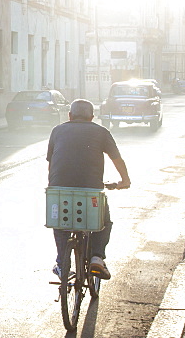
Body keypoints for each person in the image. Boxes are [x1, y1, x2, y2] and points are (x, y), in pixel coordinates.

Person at [47, 99, 130, 280]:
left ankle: (62, 264)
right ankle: (96, 257)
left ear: (69, 116)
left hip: (59, 190)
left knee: (60, 224)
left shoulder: (57, 130)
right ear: (92, 118)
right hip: (90, 191)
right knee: (103, 222)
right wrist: (125, 180)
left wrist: (53, 186)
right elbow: (117, 159)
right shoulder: (101, 132)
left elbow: (51, 163)